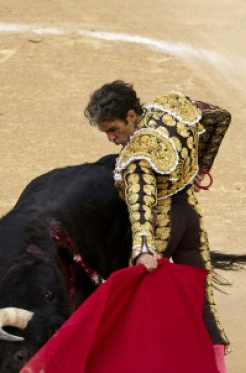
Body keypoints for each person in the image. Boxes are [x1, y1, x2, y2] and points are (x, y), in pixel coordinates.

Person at [84, 80, 233, 371]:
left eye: (114, 129)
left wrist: (144, 249)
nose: (111, 139)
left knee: (139, 309)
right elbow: (219, 117)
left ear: (130, 115)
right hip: (190, 218)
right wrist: (202, 167)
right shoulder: (171, 107)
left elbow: (140, 204)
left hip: (163, 226)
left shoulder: (138, 155)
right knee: (202, 301)